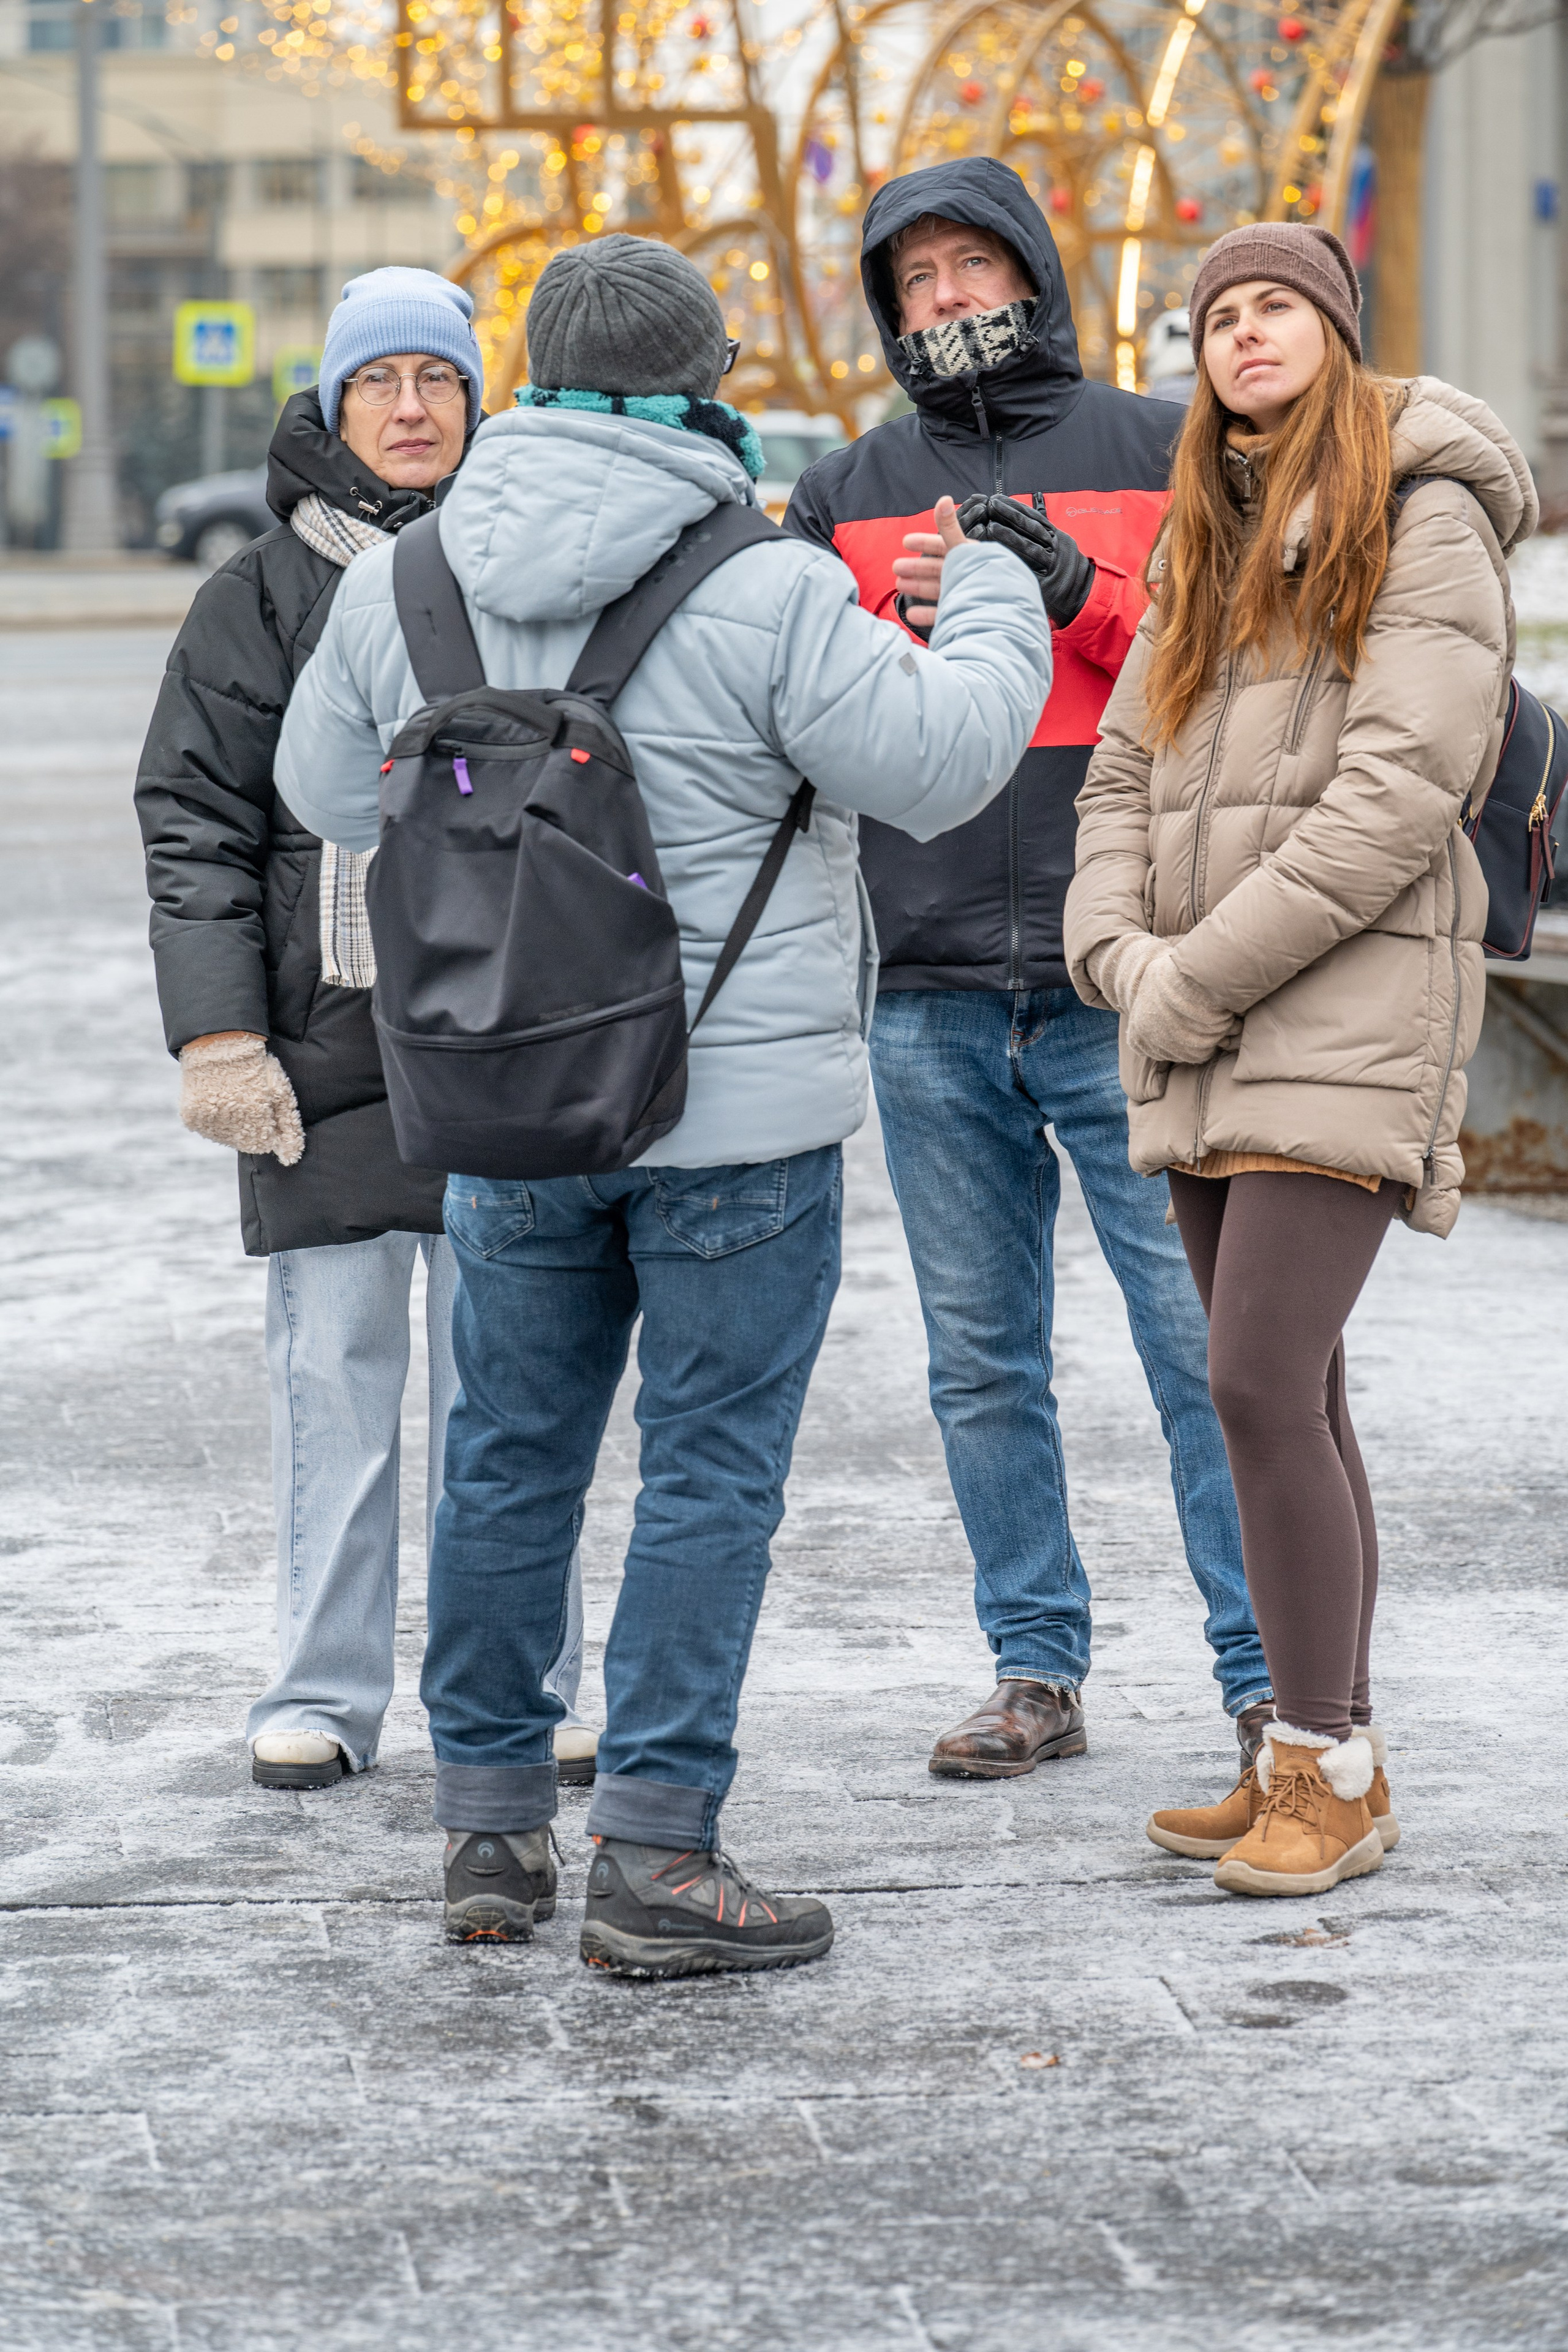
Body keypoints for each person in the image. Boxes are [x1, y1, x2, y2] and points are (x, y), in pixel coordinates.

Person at [273, 233, 1051, 1975]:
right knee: (709, 1475)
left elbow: (326, 788)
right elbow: (944, 762)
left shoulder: (405, 582)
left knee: (506, 1457)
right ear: (704, 379)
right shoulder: (763, 584)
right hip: (736, 1124)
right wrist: (995, 590)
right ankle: (660, 1855)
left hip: (507, 1104)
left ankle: (488, 1835)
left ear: (529, 374)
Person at [785, 158, 1272, 1778]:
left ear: (1033, 274)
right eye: (911, 278)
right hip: (924, 989)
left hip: (1129, 977)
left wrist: (1068, 592)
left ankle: (1268, 1675)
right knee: (982, 1360)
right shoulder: (846, 487)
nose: (944, 299)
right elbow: (802, 713)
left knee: (1207, 1348)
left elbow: (1243, 677)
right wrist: (906, 640)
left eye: (969, 267)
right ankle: (1034, 1670)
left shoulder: (1157, 442)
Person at [1065, 222, 1532, 1895]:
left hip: (1344, 1002)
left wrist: (1186, 982)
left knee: (1259, 1381)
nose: (1243, 336)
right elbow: (1122, 774)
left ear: (1335, 331)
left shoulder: (1425, 506)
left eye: (1275, 308)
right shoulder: (1215, 524)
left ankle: (1323, 1765)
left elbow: (1403, 789)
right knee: (1285, 1393)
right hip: (1205, 1007)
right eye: (1218, 319)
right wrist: (1125, 955)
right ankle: (1316, 1754)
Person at [135, 266, 595, 1792]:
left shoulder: (530, 567)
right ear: (333, 410)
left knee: (511, 1389)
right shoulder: (256, 595)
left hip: (504, 1031)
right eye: (378, 383)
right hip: (318, 1045)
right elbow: (195, 822)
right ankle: (325, 1691)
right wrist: (216, 1038)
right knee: (334, 1381)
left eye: (440, 381)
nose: (411, 408)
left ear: (480, 403)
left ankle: (528, 1686)